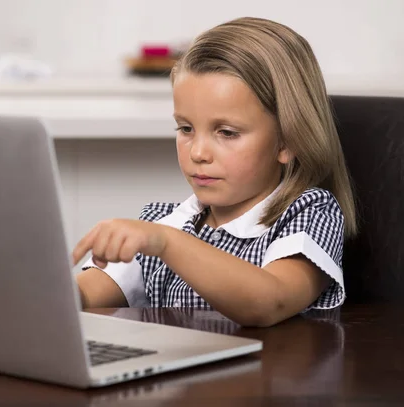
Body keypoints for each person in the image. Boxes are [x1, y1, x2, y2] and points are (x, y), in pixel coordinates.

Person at [72, 17, 357, 327]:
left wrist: (167, 243)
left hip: (268, 375)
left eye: (226, 132)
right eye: (185, 128)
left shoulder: (308, 213)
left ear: (287, 140)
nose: (198, 153)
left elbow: (269, 301)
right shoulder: (163, 222)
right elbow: (83, 296)